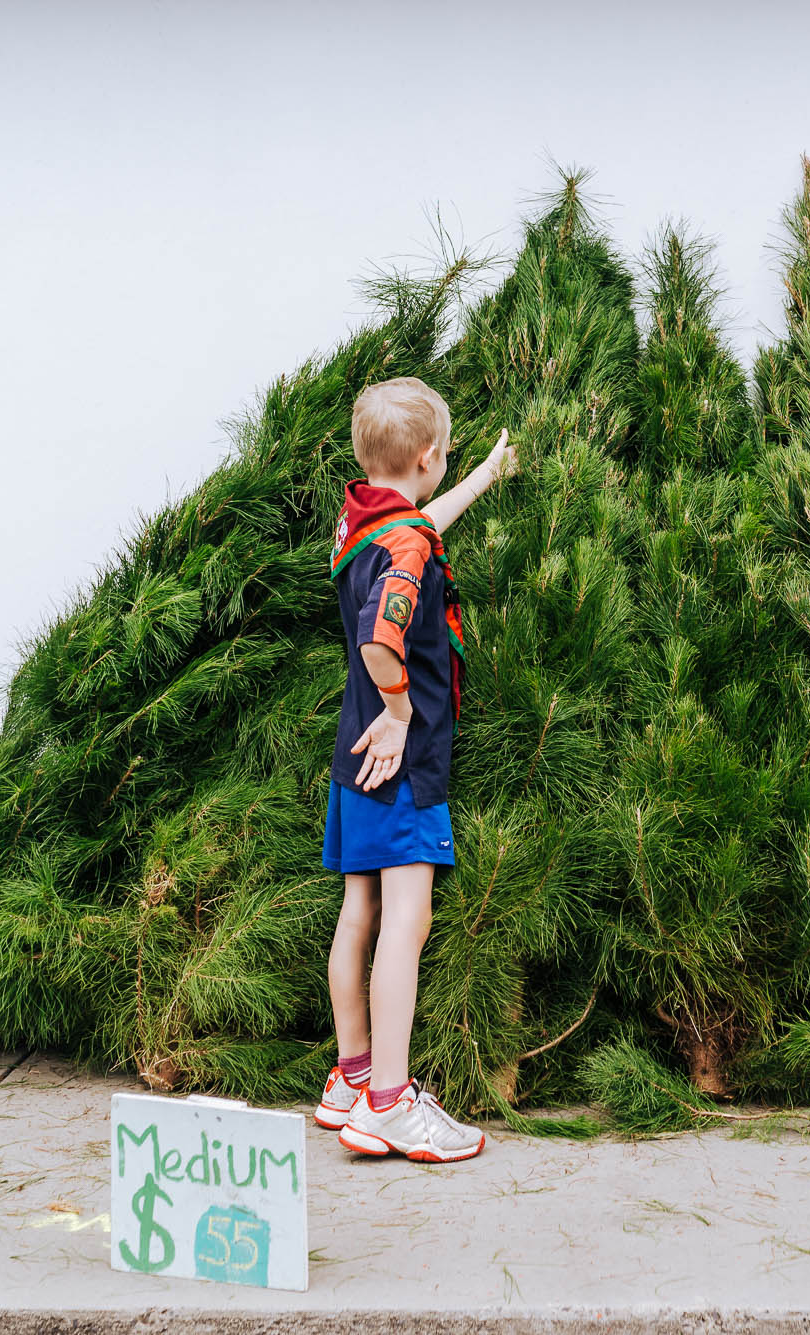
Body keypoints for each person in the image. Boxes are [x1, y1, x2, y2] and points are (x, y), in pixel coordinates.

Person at [309, 375, 518, 1162]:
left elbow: (418, 525)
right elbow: (379, 640)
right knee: (408, 921)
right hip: (398, 760)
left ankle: (353, 1077)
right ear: (426, 456)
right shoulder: (408, 549)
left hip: (351, 755)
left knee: (358, 911)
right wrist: (400, 715)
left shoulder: (366, 521)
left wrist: (484, 476)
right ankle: (391, 1104)